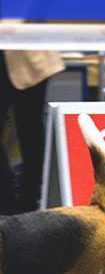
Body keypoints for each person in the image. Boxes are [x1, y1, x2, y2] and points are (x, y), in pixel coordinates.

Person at [0, 50, 64, 213]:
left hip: (26, 57)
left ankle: (29, 200)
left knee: (31, 129)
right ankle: (8, 198)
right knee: (31, 130)